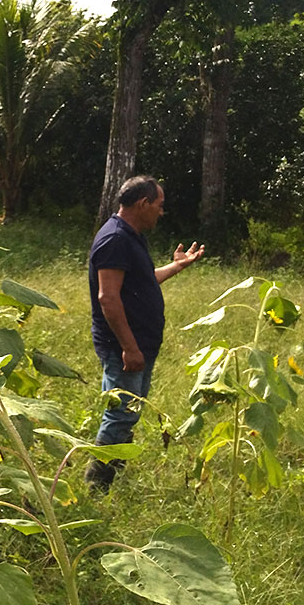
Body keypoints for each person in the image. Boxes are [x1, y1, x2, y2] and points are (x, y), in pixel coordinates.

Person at [84, 176, 204, 491]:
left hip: (139, 345)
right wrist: (129, 347)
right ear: (143, 204)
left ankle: (111, 480)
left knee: (129, 412)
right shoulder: (115, 239)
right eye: (159, 206)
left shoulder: (130, 236)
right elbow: (108, 297)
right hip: (125, 346)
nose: (161, 213)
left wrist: (177, 267)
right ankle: (96, 488)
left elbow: (141, 281)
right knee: (121, 416)